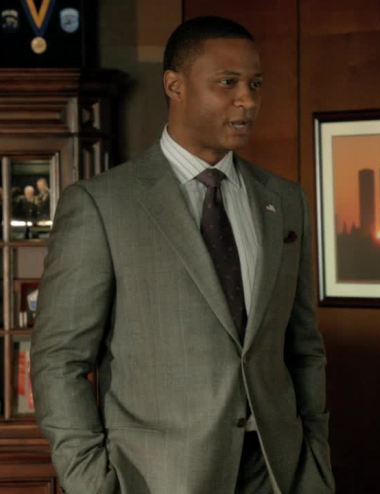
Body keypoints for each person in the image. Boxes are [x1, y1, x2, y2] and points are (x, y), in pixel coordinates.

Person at [31, 16, 334, 494]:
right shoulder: (102, 205)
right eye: (228, 83)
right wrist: (90, 482)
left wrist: (315, 458)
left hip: (279, 472)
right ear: (175, 85)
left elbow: (303, 346)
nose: (247, 100)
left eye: (255, 84)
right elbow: (59, 361)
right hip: (157, 478)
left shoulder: (284, 200)